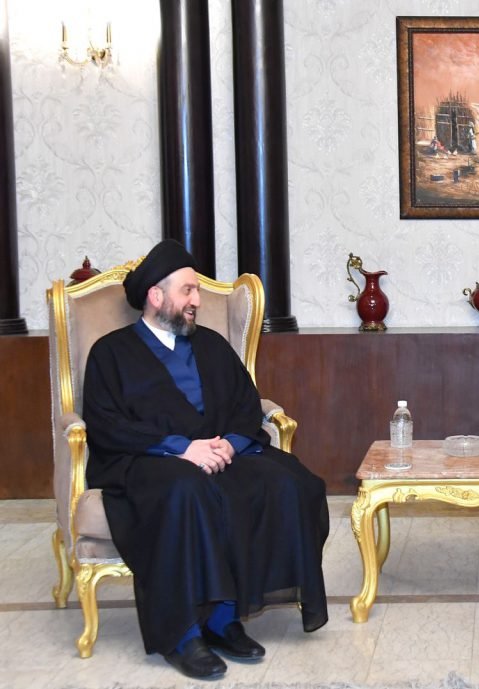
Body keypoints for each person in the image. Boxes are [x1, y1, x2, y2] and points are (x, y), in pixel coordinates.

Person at [82, 239, 329, 679]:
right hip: (149, 460)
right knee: (186, 490)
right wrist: (181, 448)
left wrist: (230, 444)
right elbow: (107, 424)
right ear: (156, 296)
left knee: (289, 482)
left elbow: (246, 403)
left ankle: (223, 618)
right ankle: (182, 635)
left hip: (219, 452)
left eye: (196, 290)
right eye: (188, 291)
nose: (197, 300)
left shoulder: (211, 345)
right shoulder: (111, 353)